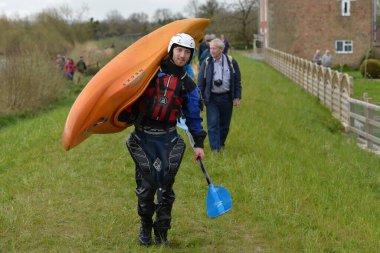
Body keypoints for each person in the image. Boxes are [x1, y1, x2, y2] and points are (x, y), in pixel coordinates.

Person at [118, 33, 206, 246]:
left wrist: (199, 144)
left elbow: (193, 115)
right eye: (179, 50)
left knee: (166, 188)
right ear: (171, 50)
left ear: (190, 55)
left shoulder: (188, 85)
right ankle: (146, 227)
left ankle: (162, 232)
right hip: (142, 138)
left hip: (169, 139)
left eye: (187, 52)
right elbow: (129, 94)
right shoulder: (150, 73)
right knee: (146, 187)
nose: (182, 55)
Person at [198, 38, 242, 152]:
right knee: (212, 124)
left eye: (214, 48)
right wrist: (201, 99)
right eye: (210, 48)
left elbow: (237, 80)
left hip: (227, 98)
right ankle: (215, 150)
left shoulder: (232, 62)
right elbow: (200, 83)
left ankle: (221, 144)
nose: (211, 50)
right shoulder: (206, 62)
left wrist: (237, 97)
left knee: (225, 125)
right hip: (211, 98)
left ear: (221, 49)